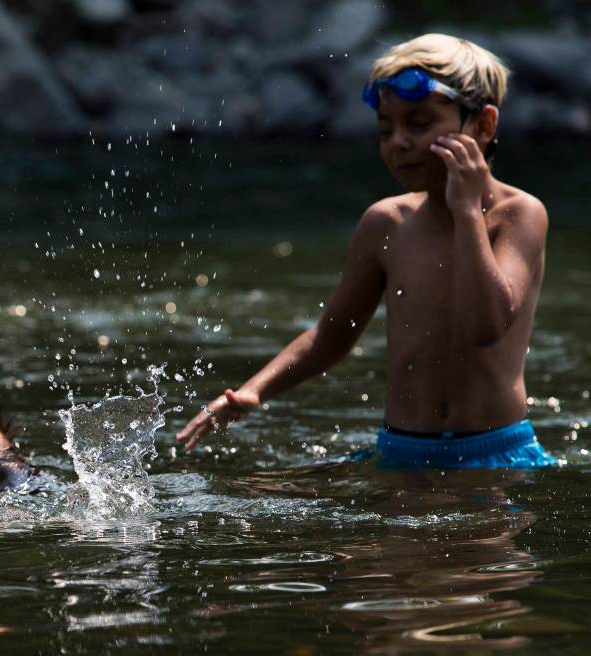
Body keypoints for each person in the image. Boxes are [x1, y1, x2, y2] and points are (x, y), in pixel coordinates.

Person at [178, 33, 557, 470]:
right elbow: (332, 335)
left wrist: (467, 210)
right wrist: (253, 391)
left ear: (483, 126)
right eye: (385, 129)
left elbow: (485, 327)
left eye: (419, 124)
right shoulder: (386, 223)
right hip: (401, 451)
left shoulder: (518, 215)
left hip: (494, 455)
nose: (398, 142)